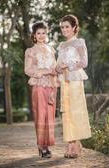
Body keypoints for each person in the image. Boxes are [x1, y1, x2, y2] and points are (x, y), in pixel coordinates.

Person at [56, 14, 91, 158]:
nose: (64, 30)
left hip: (75, 80)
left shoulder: (79, 43)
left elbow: (84, 62)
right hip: (64, 81)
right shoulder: (62, 45)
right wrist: (58, 67)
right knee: (67, 112)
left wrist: (67, 65)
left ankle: (76, 143)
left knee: (76, 111)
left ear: (74, 28)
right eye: (62, 27)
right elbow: (58, 65)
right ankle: (70, 143)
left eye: (67, 27)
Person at [24, 21, 58, 158]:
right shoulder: (31, 51)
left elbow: (55, 69)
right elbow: (27, 69)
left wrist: (54, 77)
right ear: (34, 35)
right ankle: (41, 146)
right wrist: (44, 71)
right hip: (38, 86)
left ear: (46, 33)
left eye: (44, 33)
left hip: (51, 86)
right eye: (38, 33)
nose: (41, 35)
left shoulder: (52, 50)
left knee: (49, 116)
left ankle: (47, 145)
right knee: (40, 115)